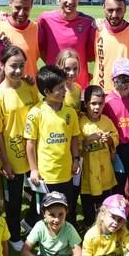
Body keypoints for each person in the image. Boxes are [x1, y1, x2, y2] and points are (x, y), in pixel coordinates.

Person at [0, 45, 39, 250]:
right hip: (12, 158)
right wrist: (5, 162)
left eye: (21, 66)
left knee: (39, 195)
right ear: (2, 65)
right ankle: (14, 234)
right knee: (14, 200)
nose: (18, 71)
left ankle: (30, 222)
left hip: (33, 154)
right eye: (13, 66)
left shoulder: (29, 87)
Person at [24, 65, 81, 226]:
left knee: (65, 207)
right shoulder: (36, 113)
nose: (64, 91)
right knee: (45, 211)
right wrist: (34, 169)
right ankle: (38, 235)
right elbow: (30, 143)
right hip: (46, 174)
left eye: (64, 86)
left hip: (66, 173)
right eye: (59, 88)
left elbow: (74, 138)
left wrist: (76, 159)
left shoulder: (70, 113)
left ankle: (67, 236)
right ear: (47, 92)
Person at [18, 191, 85, 256]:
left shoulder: (69, 229)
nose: (56, 219)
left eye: (61, 214)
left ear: (66, 212)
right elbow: (24, 251)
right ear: (44, 213)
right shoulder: (40, 226)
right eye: (52, 215)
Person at [37, 0, 95, 88]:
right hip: (54, 85)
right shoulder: (45, 19)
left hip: (79, 86)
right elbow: (39, 48)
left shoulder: (89, 22)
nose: (70, 1)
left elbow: (92, 56)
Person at [103, 58, 129, 212]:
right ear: (113, 80)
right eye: (119, 80)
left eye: (127, 79)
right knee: (119, 179)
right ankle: (117, 208)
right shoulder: (108, 101)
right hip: (117, 148)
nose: (124, 84)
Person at [79, 85, 119, 227]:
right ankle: (90, 224)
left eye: (100, 104)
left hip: (104, 172)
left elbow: (115, 138)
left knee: (105, 201)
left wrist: (109, 140)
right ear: (86, 104)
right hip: (88, 172)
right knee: (88, 202)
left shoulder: (107, 121)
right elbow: (77, 145)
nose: (97, 107)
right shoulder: (81, 122)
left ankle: (105, 224)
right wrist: (88, 139)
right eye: (93, 104)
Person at [92, 0, 129, 93]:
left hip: (128, 93)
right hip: (102, 93)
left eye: (119, 10)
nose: (114, 15)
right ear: (103, 8)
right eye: (110, 10)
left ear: (125, 9)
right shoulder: (95, 29)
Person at [0, 0, 40, 79]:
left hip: (30, 89)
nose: (21, 13)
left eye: (26, 9)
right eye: (17, 7)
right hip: (6, 90)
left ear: (31, 6)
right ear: (10, 3)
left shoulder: (37, 29)